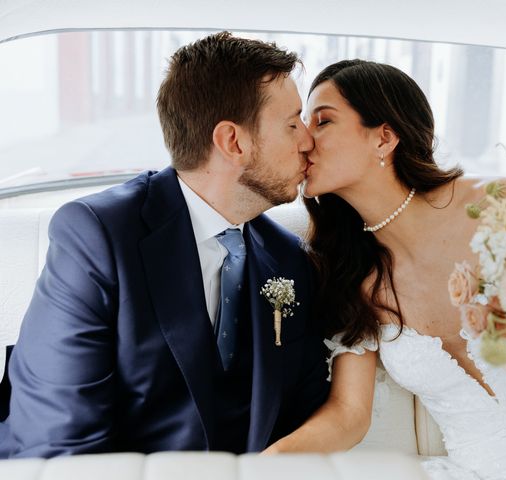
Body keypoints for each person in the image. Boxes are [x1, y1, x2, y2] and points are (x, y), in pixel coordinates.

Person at [263, 59, 506, 480]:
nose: (304, 141)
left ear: (384, 138)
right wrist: (266, 464)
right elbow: (350, 414)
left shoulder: (501, 206)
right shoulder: (345, 272)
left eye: (323, 121)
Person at [0, 32, 329, 458]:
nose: (308, 140)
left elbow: (298, 416)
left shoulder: (288, 258)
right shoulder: (98, 237)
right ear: (233, 142)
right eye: (292, 123)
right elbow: (59, 441)